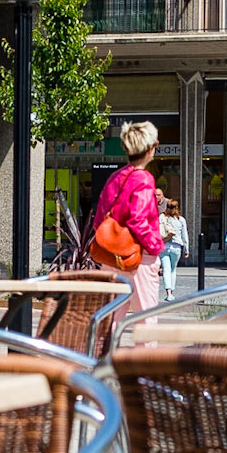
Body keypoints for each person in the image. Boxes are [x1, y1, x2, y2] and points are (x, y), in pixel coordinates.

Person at [91, 121, 164, 322]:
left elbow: (99, 220)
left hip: (111, 256)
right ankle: (146, 356)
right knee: (146, 322)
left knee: (109, 322)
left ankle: (104, 355)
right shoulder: (144, 179)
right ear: (150, 148)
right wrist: (156, 247)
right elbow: (138, 219)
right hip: (138, 258)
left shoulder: (115, 177)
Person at [159, 198, 189, 299]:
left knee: (166, 270)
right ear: (177, 208)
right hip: (176, 247)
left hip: (164, 246)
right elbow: (185, 236)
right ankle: (172, 291)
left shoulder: (162, 217)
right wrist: (186, 250)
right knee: (173, 270)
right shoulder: (181, 220)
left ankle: (168, 293)